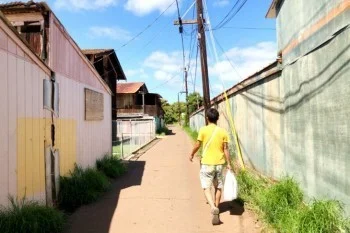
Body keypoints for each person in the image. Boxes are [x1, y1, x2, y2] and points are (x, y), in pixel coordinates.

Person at [189, 108, 232, 225]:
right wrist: (229, 163)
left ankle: (213, 206)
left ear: (207, 118)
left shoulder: (203, 130)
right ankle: (217, 208)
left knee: (206, 187)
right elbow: (226, 149)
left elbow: (198, 144)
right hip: (219, 164)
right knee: (218, 187)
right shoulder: (223, 132)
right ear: (217, 118)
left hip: (207, 163)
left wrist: (192, 154)